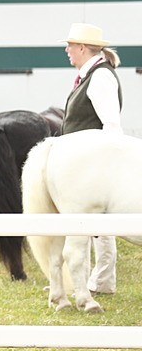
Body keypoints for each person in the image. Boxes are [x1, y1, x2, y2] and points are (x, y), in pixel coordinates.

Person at [61, 23, 123, 294]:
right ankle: (99, 281)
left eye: (70, 45)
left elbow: (111, 125)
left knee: (98, 225)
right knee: (98, 226)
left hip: (93, 165)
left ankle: (100, 281)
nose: (67, 50)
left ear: (83, 48)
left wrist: (101, 166)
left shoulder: (100, 77)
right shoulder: (92, 75)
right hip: (85, 163)